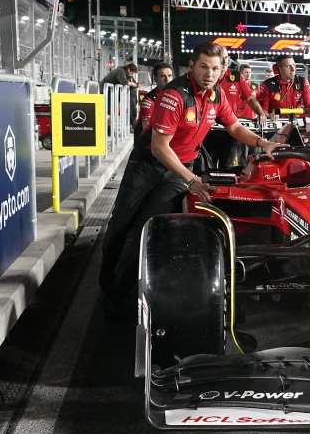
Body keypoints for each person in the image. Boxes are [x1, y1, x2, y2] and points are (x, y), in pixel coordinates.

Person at [100, 43, 283, 311]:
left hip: (179, 169)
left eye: (216, 68)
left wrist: (261, 143)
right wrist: (192, 180)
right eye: (204, 67)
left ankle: (126, 296)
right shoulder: (174, 95)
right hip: (148, 166)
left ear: (222, 71)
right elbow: (159, 148)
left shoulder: (218, 95)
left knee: (146, 229)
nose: (210, 73)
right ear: (192, 66)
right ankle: (108, 288)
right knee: (121, 228)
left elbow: (233, 126)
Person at [253, 55, 310, 122]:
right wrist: (270, 115)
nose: (293, 69)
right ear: (279, 68)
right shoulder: (267, 85)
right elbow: (263, 112)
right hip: (276, 125)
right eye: (288, 66)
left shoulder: (302, 82)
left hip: (297, 124)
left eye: (294, 65)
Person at [135, 63, 174, 135]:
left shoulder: (176, 96)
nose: (167, 80)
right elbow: (147, 131)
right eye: (163, 76)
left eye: (169, 76)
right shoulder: (148, 101)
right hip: (149, 142)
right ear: (155, 79)